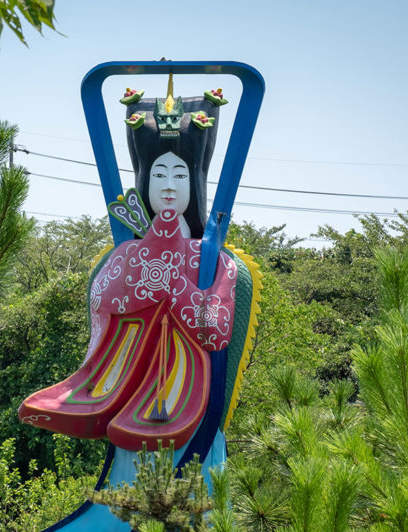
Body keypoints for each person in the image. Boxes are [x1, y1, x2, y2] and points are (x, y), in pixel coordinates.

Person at [19, 79, 256, 460]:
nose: (168, 186)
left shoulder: (215, 259)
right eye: (159, 174)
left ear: (195, 182)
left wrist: (173, 281)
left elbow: (213, 329)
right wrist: (148, 263)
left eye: (180, 175)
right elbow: (103, 302)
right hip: (126, 386)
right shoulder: (126, 252)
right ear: (144, 180)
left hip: (186, 399)